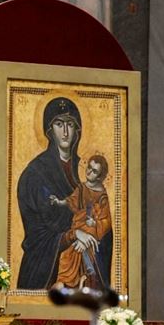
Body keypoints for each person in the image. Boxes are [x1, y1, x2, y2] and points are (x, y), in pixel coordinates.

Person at [16, 97, 113, 289]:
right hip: (46, 266)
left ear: (78, 129)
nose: (66, 132)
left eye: (70, 124)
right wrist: (73, 234)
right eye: (59, 124)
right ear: (49, 130)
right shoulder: (36, 173)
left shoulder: (87, 169)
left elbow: (104, 219)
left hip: (88, 261)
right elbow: (37, 233)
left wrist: (92, 231)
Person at [49, 154, 112, 289]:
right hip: (80, 226)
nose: (89, 171)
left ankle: (87, 273)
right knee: (67, 254)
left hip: (93, 230)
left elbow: (106, 221)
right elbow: (71, 199)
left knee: (74, 251)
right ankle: (79, 278)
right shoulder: (82, 188)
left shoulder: (102, 196)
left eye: (94, 171)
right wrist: (59, 202)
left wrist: (95, 224)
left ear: (100, 176)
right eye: (89, 167)